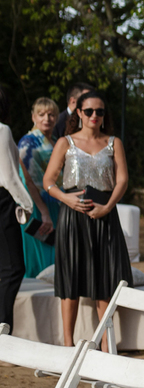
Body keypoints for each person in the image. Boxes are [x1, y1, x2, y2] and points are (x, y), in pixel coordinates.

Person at [41, 91, 134, 349]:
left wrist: (107, 208)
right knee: (71, 277)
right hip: (73, 217)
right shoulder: (64, 142)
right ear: (79, 113)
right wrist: (65, 199)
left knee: (105, 280)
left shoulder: (114, 142)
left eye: (100, 111)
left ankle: (105, 346)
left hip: (105, 216)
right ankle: (68, 345)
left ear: (105, 115)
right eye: (90, 111)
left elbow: (123, 180)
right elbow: (48, 181)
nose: (95, 116)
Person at [0, 87, 34, 329]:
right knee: (13, 268)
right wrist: (27, 204)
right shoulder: (2, 131)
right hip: (2, 202)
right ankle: (3, 329)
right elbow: (10, 176)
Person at [18, 97, 60, 276]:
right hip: (37, 207)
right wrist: (43, 212)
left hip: (54, 204)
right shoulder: (28, 142)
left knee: (54, 257)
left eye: (51, 114)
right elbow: (29, 181)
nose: (47, 118)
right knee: (40, 260)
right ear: (33, 117)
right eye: (41, 114)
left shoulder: (54, 141)